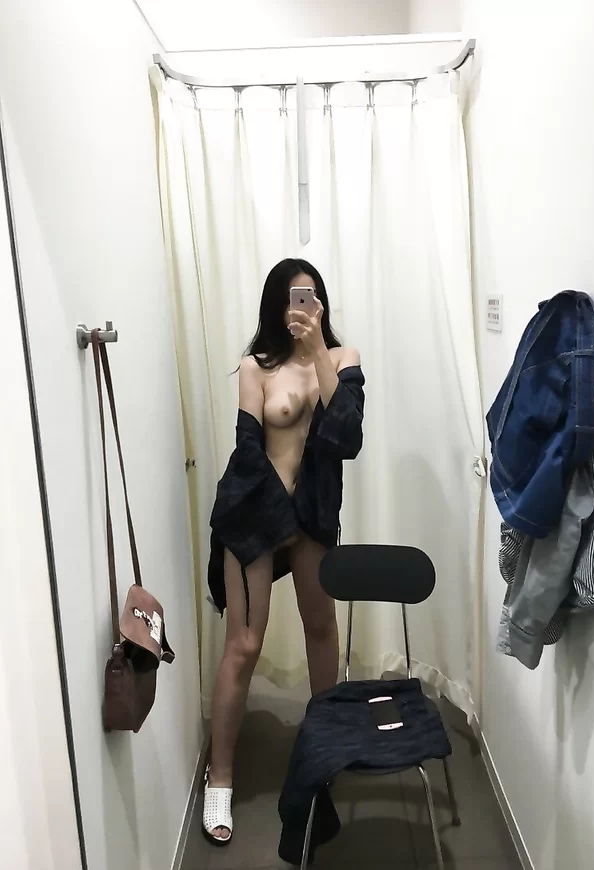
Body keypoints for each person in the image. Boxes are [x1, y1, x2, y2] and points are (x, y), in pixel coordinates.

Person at [202, 258, 365, 845]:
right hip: (255, 517)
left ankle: (322, 750)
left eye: (313, 297)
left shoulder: (341, 360)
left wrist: (318, 349)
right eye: (296, 297)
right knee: (244, 644)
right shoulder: (256, 367)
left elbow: (347, 436)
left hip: (313, 519)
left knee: (321, 629)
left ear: (322, 305)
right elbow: (248, 453)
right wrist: (277, 523)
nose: (304, 306)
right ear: (277, 304)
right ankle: (220, 776)